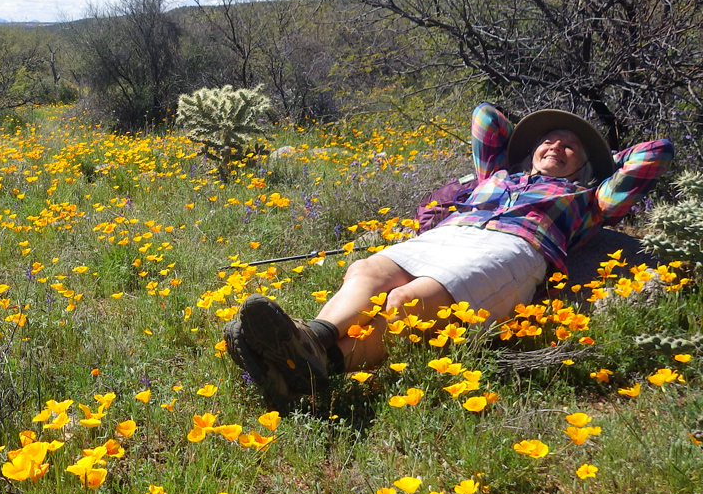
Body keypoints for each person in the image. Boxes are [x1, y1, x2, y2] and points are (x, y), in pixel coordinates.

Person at [224, 103, 674, 410]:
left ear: (587, 164)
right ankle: (309, 341)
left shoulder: (590, 197)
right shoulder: (495, 175)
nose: (555, 147)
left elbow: (656, 153)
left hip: (514, 248)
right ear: (531, 151)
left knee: (408, 303)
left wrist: (602, 159)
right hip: (451, 233)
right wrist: (530, 143)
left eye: (568, 147)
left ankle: (313, 369)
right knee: (367, 270)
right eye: (548, 141)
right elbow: (486, 117)